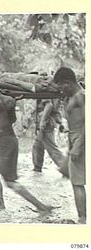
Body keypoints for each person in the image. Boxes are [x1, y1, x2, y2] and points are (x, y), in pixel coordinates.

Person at [0, 75, 53, 211]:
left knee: (10, 181)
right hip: (10, 139)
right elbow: (12, 120)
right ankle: (1, 207)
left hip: (1, 141)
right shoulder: (10, 100)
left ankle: (40, 206)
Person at [53, 67, 85, 224]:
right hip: (74, 137)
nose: (60, 90)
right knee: (68, 173)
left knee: (78, 183)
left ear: (68, 83)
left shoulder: (81, 96)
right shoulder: (71, 96)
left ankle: (83, 220)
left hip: (82, 138)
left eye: (61, 86)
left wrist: (78, 146)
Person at [32, 98, 68, 173]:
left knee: (51, 148)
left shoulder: (45, 94)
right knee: (37, 146)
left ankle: (66, 167)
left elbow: (49, 106)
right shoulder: (48, 95)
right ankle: (37, 167)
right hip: (45, 123)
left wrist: (42, 124)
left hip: (46, 125)